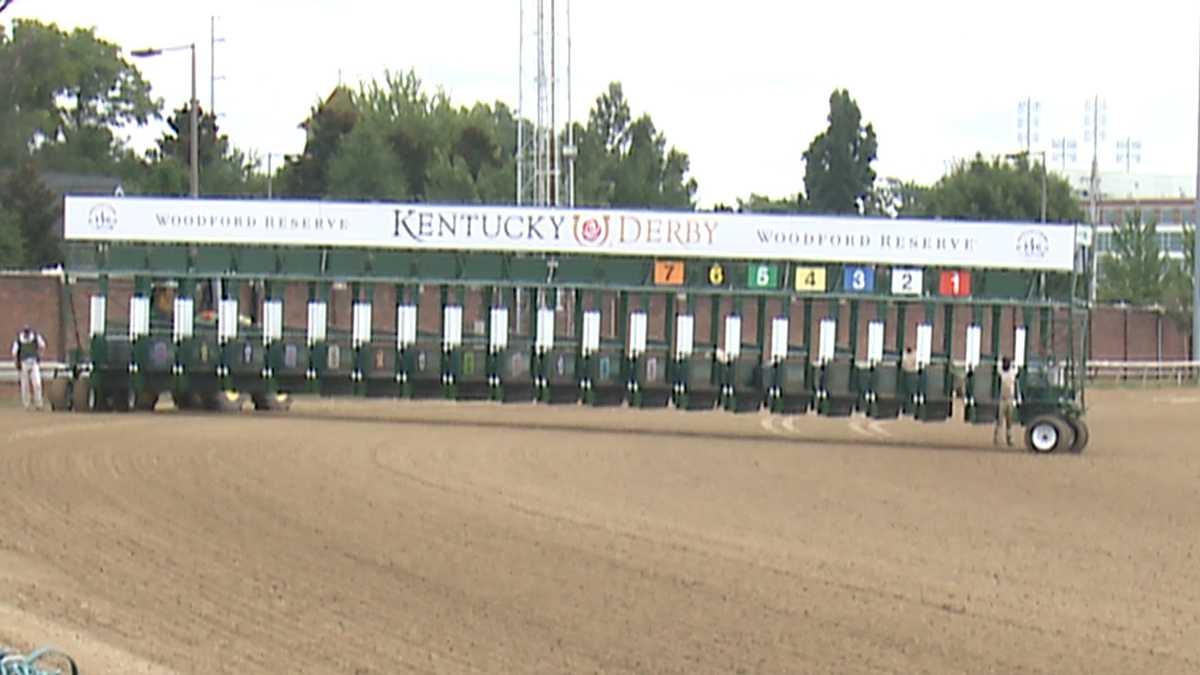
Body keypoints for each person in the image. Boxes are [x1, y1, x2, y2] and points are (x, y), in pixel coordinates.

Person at [11, 324, 46, 411]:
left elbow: (42, 346)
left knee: (37, 383)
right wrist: (16, 363)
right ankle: (26, 404)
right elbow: (14, 353)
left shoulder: (35, 337)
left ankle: (39, 403)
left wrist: (40, 356)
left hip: (34, 362)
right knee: (25, 385)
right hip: (24, 363)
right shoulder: (19, 339)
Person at [994, 356, 1018, 446]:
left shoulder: (1012, 372)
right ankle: (997, 438)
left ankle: (1010, 439)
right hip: (1002, 399)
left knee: (1009, 421)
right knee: (999, 420)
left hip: (1010, 399)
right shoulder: (1001, 372)